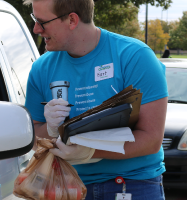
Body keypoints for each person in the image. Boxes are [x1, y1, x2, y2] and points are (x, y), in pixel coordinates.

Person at [23, 0, 168, 199]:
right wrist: (50, 130)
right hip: (67, 185)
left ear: (72, 20)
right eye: (34, 19)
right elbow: (33, 136)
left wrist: (90, 151)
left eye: (42, 21)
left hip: (131, 184)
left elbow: (151, 139)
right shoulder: (41, 69)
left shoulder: (134, 56)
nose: (36, 29)